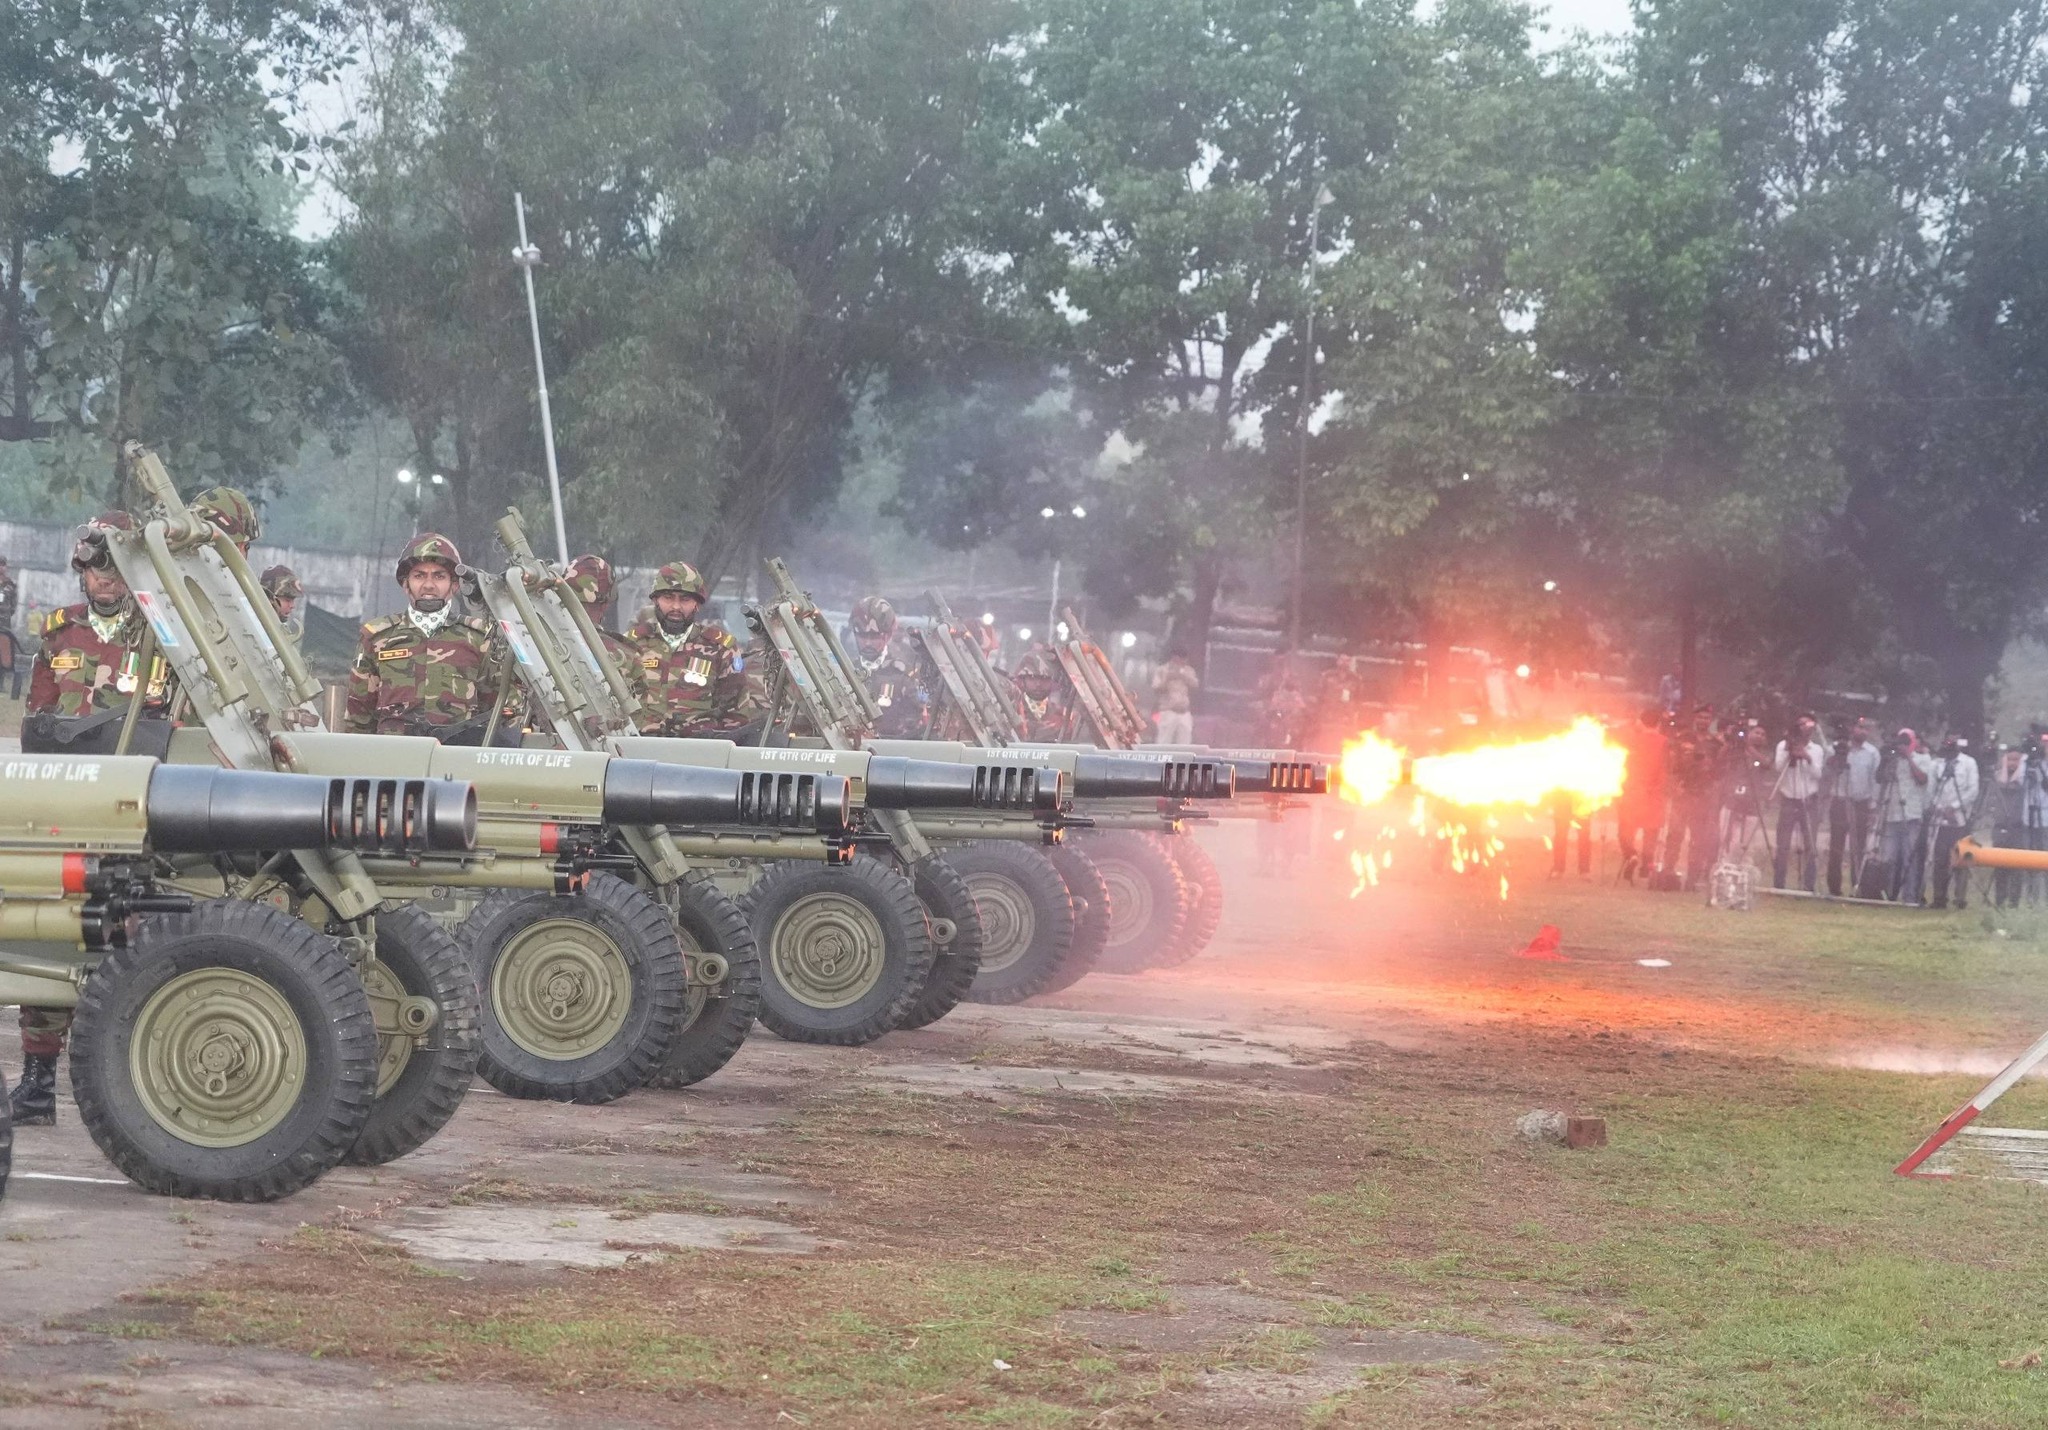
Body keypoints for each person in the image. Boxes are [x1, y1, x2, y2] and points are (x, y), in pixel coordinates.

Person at [12, 514, 169, 1127]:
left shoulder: (161, 632)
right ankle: (37, 1081)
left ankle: (132, 1083)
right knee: (49, 930)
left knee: (134, 930)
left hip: (134, 802)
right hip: (69, 801)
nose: (103, 580)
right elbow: (38, 719)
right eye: (94, 568)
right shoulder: (60, 632)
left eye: (113, 568)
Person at [344, 532, 506, 739]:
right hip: (392, 760)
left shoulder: (480, 638)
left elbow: (501, 711)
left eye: (439, 576)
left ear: (454, 585)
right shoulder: (375, 637)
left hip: (457, 759)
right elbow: (358, 718)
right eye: (419, 575)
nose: (429, 585)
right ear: (405, 584)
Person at [626, 561, 759, 739]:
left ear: (697, 604)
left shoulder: (721, 648)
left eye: (685, 599)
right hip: (637, 750)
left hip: (697, 753)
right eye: (668, 597)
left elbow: (736, 716)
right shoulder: (631, 644)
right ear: (655, 600)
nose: (676, 607)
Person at [846, 595, 931, 738]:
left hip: (893, 750)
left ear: (888, 635)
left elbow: (920, 725)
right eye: (862, 636)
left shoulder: (905, 676)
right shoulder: (846, 672)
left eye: (874, 636)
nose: (867, 643)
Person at [1661, 704, 1723, 889]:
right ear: (1694, 719)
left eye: (1706, 718)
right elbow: (1670, 766)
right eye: (1700, 717)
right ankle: (1667, 875)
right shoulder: (1682, 739)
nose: (1703, 721)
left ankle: (1692, 879)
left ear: (1710, 721)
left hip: (1703, 796)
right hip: (1682, 793)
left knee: (1698, 839)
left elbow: (1718, 771)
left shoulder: (1715, 743)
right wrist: (1673, 788)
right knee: (1674, 836)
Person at [1875, 728, 1936, 905]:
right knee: (1889, 857)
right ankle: (1887, 894)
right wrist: (1888, 758)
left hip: (1911, 814)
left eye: (1906, 741)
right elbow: (1880, 778)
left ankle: (1910, 896)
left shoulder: (1923, 758)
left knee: (1910, 857)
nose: (1902, 745)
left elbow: (1922, 779)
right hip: (1891, 812)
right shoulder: (1893, 760)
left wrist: (1908, 757)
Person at [1825, 718, 1881, 896]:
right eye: (1859, 728)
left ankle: (1857, 886)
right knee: (1836, 847)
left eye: (1866, 729)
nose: (1862, 731)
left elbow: (1875, 781)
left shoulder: (1872, 753)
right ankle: (1834, 887)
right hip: (1840, 801)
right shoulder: (1836, 748)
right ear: (1852, 729)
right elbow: (1826, 774)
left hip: (1860, 804)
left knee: (1858, 847)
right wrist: (1836, 759)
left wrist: (1873, 806)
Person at [1772, 714, 1827, 891]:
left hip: (1809, 800)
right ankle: (1779, 884)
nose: (1805, 728)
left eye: (1808, 724)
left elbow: (1818, 774)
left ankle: (1808, 885)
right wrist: (1789, 751)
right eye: (1801, 724)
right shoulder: (1783, 745)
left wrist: (1806, 756)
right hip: (1788, 798)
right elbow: (1778, 768)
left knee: (1810, 843)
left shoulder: (1816, 749)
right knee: (1783, 844)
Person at [1926, 734, 1981, 910]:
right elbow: (1931, 789)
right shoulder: (1938, 764)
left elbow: (1973, 790)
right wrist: (1940, 807)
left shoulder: (1969, 763)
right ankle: (1939, 897)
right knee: (1939, 859)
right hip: (1941, 819)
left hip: (1961, 818)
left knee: (1962, 859)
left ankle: (1960, 897)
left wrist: (1954, 807)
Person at [1615, 707, 1667, 884]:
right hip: (1655, 794)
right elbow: (1666, 769)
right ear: (1658, 724)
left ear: (1641, 722)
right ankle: (1647, 866)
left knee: (1626, 830)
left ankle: (1631, 854)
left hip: (1633, 792)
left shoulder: (1633, 741)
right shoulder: (1665, 742)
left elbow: (1624, 766)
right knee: (1651, 833)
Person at [1988, 744, 2028, 909]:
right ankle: (2000, 900)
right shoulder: (1997, 778)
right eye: (2010, 759)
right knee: (2000, 867)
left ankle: (2014, 902)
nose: (2013, 763)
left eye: (2016, 760)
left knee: (2017, 868)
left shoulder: (2026, 778)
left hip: (2018, 829)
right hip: (2000, 828)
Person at [1007, 647, 1071, 741]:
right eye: (1032, 678)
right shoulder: (1009, 710)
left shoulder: (1063, 715)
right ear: (1023, 679)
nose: (1038, 684)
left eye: (1044, 678)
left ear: (1052, 681)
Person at [1150, 649, 1199, 745]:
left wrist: (1182, 675)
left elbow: (1195, 685)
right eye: (1180, 659)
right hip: (1168, 711)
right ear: (1174, 658)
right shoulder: (1162, 670)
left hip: (1184, 712)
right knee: (1163, 743)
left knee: (1185, 744)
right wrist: (1167, 678)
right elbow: (1156, 688)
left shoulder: (1189, 670)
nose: (1182, 662)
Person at [260, 564, 303, 634]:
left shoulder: (277, 629)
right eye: (287, 600)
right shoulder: (254, 625)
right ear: (269, 598)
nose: (292, 606)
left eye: (293, 600)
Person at [0, 553, 18, 699]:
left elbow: (13, 607)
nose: (1, 567)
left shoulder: (11, 584)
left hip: (4, 625)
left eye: (2, 564)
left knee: (4, 656)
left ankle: (1, 686)